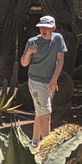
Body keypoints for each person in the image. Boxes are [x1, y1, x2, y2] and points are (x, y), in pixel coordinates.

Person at [19, 14, 66, 143]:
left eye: (47, 27)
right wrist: (28, 53)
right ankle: (47, 147)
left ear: (53, 28)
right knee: (46, 114)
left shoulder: (58, 39)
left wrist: (54, 80)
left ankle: (34, 143)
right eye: (41, 27)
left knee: (41, 112)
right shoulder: (32, 41)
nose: (43, 29)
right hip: (36, 81)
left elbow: (60, 60)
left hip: (50, 81)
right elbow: (23, 63)